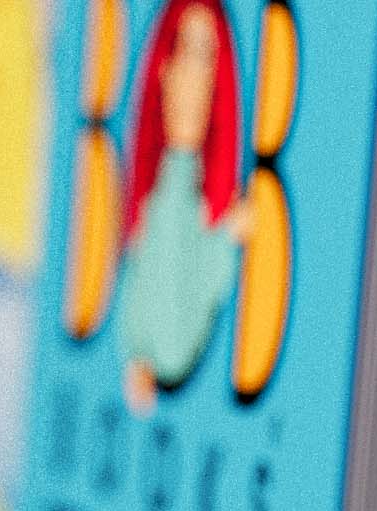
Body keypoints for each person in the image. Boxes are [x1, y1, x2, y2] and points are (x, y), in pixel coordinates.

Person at [116, 0, 250, 413]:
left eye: (206, 56)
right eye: (183, 50)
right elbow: (140, 276)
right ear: (163, 68)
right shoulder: (149, 194)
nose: (192, 75)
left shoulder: (205, 203)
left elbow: (206, 281)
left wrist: (227, 238)